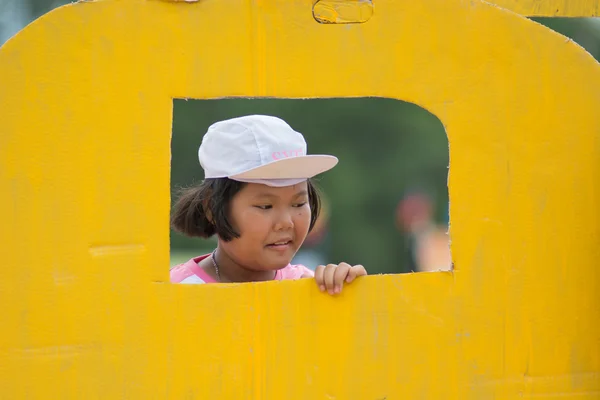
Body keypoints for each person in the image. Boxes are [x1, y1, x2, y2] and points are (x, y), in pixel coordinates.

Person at [169, 115, 367, 295]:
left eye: (298, 203)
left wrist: (350, 295)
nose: (286, 222)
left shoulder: (312, 289)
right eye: (265, 206)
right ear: (211, 207)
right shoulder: (176, 293)